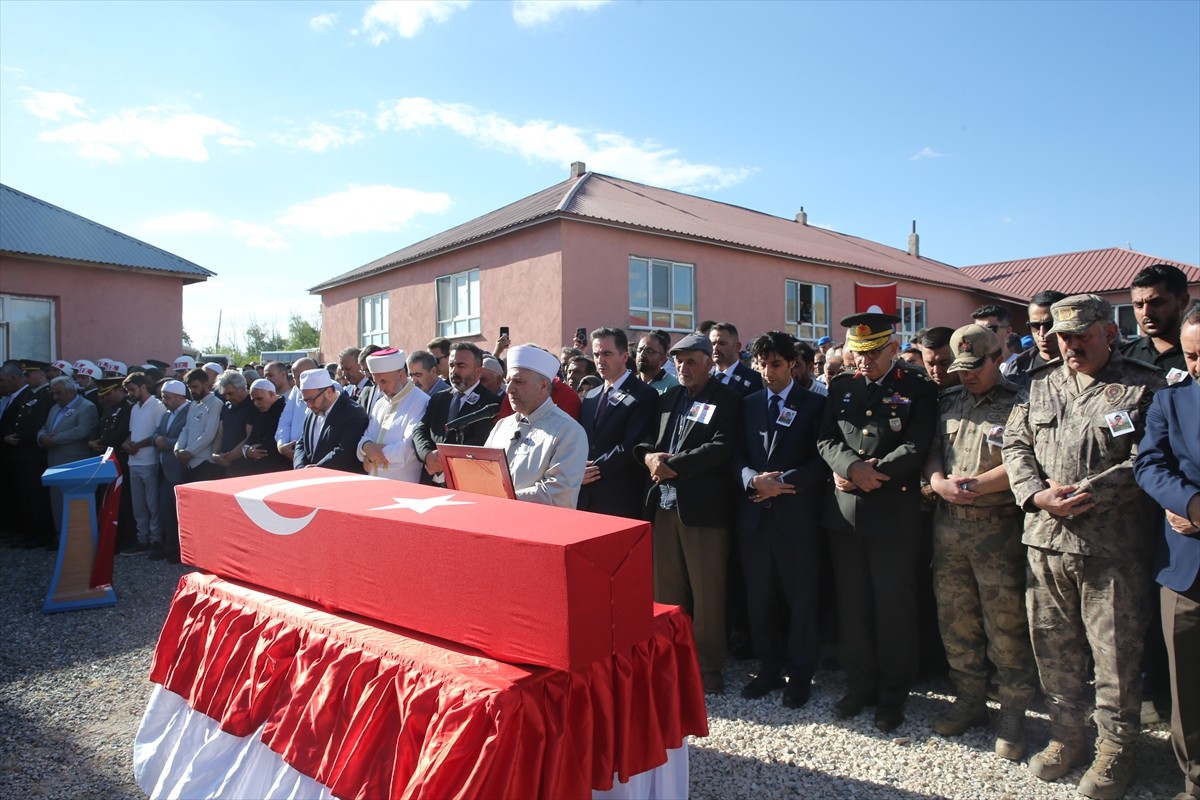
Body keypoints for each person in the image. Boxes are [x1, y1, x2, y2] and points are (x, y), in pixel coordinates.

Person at [1002, 294, 1166, 798]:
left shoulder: (1144, 386)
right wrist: (1034, 493)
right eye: (1063, 337)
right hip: (1046, 542)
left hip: (1110, 549)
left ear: (1109, 333)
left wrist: (1091, 492)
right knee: (1054, 649)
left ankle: (1117, 751)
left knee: (1114, 656)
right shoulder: (1040, 383)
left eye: (1082, 336)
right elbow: (1015, 444)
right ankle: (1066, 735)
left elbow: (1148, 459)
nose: (1070, 345)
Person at [817, 311, 938, 732]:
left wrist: (874, 473)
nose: (863, 362)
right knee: (853, 606)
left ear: (892, 348)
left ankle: (892, 695)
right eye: (857, 353)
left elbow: (918, 443)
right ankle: (859, 686)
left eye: (872, 354)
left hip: (892, 512)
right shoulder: (843, 386)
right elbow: (826, 437)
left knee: (893, 609)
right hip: (846, 513)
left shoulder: (918, 389)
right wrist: (852, 468)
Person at [923, 325, 1035, 760]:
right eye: (961, 368)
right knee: (956, 618)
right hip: (949, 526)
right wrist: (936, 481)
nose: (967, 375)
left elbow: (1024, 457)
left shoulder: (1018, 401)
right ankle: (969, 699)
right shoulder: (949, 400)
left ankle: (1013, 713)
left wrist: (979, 484)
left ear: (996, 358)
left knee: (1004, 623)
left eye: (975, 367)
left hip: (997, 529)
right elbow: (933, 449)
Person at [635, 332, 742, 694]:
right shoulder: (670, 398)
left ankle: (708, 666)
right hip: (663, 504)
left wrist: (675, 466)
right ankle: (668, 659)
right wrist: (650, 457)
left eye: (691, 360)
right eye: (678, 360)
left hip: (703, 509)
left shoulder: (727, 399)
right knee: (666, 590)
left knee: (707, 590)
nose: (683, 367)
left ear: (709, 363)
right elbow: (650, 440)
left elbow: (723, 446)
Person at [733, 331, 827, 707]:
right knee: (760, 598)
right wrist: (751, 481)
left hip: (796, 518)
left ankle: (801, 675)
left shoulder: (814, 405)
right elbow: (735, 455)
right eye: (761, 364)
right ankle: (769, 668)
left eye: (775, 364)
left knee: (801, 599)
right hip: (755, 518)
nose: (767, 372)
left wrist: (782, 483)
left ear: (792, 364)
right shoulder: (748, 403)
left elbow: (821, 460)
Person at [1134, 302, 1200, 800]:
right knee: (1188, 688)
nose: (1198, 366)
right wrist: (1190, 502)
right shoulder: (1172, 400)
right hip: (1187, 564)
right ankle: (1194, 778)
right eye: (1192, 356)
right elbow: (1150, 466)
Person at [484, 344, 587, 508]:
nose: (509, 389)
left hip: (538, 528)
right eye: (508, 381)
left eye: (518, 381)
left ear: (543, 386)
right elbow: (484, 474)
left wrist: (503, 499)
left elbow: (558, 494)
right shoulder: (502, 426)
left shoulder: (569, 431)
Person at [577, 327, 657, 519]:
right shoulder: (591, 396)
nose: (600, 360)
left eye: (607, 353)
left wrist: (594, 469)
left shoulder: (643, 394)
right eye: (596, 354)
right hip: (585, 495)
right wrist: (576, 469)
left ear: (624, 356)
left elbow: (632, 444)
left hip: (620, 496)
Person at [413, 342, 503, 485]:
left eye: (461, 366)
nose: (454, 371)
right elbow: (420, 429)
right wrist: (427, 455)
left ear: (478, 371)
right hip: (430, 478)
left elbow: (480, 442)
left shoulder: (491, 402)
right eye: (451, 365)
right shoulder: (439, 398)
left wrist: (443, 460)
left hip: (464, 481)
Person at [37, 376, 100, 537]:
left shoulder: (86, 407)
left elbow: (82, 430)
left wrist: (53, 439)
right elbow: (45, 427)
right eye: (53, 393)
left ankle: (77, 538)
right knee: (57, 501)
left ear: (71, 391)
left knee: (74, 502)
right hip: (54, 461)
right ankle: (61, 535)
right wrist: (41, 437)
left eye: (59, 393)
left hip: (74, 463)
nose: (55, 397)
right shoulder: (54, 408)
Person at [0, 361, 53, 548]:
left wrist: (20, 437)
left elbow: (40, 423)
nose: (26, 378)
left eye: (29, 374)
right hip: (21, 453)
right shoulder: (30, 394)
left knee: (36, 496)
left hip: (33, 452)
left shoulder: (47, 395)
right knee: (25, 496)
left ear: (40, 374)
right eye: (25, 374)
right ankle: (30, 532)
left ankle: (42, 534)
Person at [357, 348, 429, 482]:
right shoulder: (380, 403)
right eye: (376, 382)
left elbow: (407, 450)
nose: (380, 389)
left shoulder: (420, 401)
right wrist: (366, 447)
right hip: (374, 484)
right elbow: (365, 438)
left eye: (384, 381)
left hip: (404, 487)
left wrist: (373, 453)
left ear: (401, 374)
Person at [120, 373, 167, 558]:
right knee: (138, 505)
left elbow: (158, 434)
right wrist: (126, 443)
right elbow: (133, 433)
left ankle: (156, 539)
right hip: (134, 462)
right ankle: (142, 539)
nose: (130, 394)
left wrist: (139, 445)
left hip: (150, 461)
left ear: (143, 387)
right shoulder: (134, 408)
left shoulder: (157, 406)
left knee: (152, 504)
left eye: (132, 390)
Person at [1119, 263, 1192, 378]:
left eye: (1157, 303)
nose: (1146, 312)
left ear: (1183, 301)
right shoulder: (1122, 357)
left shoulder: (1195, 356)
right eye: (1138, 305)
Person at [294, 368, 369, 472]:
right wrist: (299, 466)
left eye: (311, 400)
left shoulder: (353, 413)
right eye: (305, 401)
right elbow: (302, 442)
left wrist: (316, 470)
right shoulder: (313, 411)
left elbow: (345, 451)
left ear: (329, 392)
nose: (309, 405)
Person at [153, 379, 190, 562]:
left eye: (166, 397)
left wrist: (164, 442)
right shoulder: (167, 415)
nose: (164, 401)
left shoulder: (189, 411)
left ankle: (180, 550)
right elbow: (156, 433)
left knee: (179, 513)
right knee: (166, 511)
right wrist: (156, 439)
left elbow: (186, 438)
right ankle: (169, 546)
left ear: (179, 397)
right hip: (164, 470)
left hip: (179, 469)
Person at [174, 367, 225, 482]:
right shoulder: (193, 404)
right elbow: (186, 429)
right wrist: (178, 449)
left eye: (195, 387)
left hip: (205, 464)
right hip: (189, 463)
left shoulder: (216, 403)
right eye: (189, 387)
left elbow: (209, 435)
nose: (192, 391)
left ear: (206, 384)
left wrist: (188, 452)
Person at [210, 370, 254, 477]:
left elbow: (249, 437)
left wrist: (229, 457)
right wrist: (215, 454)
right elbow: (220, 434)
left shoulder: (252, 406)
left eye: (230, 393)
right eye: (225, 394)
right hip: (226, 465)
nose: (227, 397)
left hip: (245, 467)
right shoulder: (227, 406)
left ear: (242, 388)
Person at [241, 378, 290, 474]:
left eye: (259, 399)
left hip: (280, 468)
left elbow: (282, 438)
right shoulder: (259, 413)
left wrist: (259, 450)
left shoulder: (285, 410)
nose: (256, 403)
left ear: (271, 394)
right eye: (254, 400)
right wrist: (247, 451)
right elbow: (250, 438)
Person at [276, 357, 316, 462]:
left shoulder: (331, 389)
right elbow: (285, 420)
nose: (298, 382)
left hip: (313, 456)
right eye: (295, 378)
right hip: (293, 454)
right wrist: (282, 445)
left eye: (302, 377)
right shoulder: (296, 390)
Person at [709, 322, 763, 397]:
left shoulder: (753, 379)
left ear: (736, 347)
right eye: (713, 344)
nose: (715, 348)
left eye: (722, 343)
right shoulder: (704, 377)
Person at [971, 305, 1019, 377]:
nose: (984, 335)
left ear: (1008, 332)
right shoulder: (970, 367)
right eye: (978, 330)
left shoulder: (1023, 366)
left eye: (990, 330)